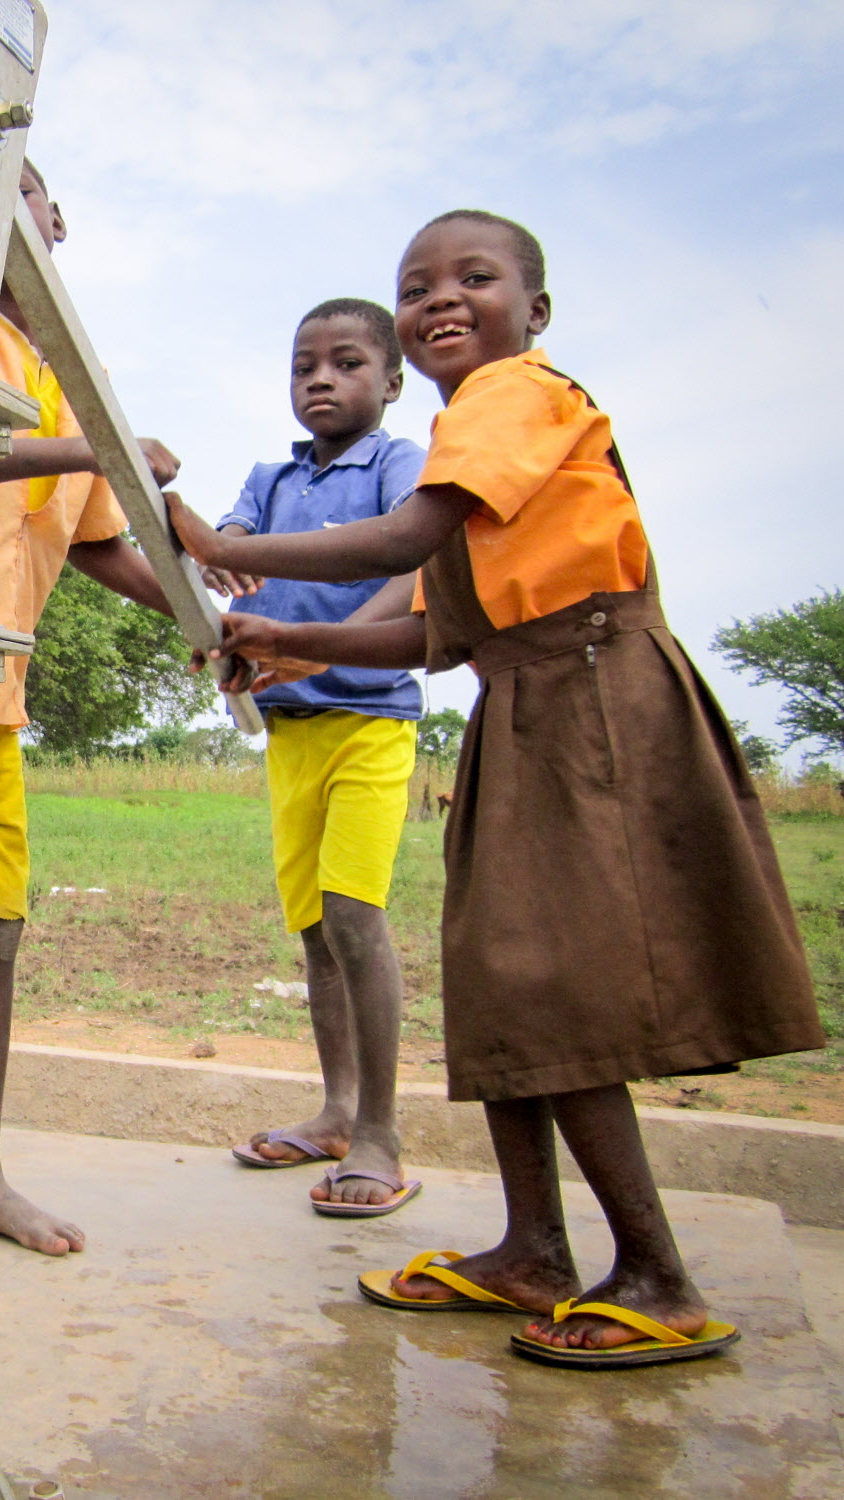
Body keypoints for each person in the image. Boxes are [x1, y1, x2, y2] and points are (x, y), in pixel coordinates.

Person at [172, 209, 823, 1368]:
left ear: (533, 312)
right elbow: (431, 634)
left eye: (473, 278)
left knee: (557, 984)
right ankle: (532, 1250)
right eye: (416, 284)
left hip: (592, 701)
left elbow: (398, 542)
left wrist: (225, 549)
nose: (440, 300)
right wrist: (281, 636)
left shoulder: (513, 398)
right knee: (503, 979)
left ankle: (658, 1279)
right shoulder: (474, 438)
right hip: (525, 705)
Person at [0, 159, 181, 1256]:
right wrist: (90, 447)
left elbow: (101, 542)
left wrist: (204, 623)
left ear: (58, 223)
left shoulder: (65, 376)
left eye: (25, 189)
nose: (4, 202)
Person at [204, 298, 427, 1216]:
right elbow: (226, 556)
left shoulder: (401, 468)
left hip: (372, 721)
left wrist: (325, 646)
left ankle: (380, 1132)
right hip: (288, 732)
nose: (321, 381)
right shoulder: (270, 478)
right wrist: (220, 603)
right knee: (314, 932)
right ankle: (336, 1112)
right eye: (305, 368)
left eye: (346, 364)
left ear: (392, 381)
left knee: (353, 915)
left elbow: (418, 570)